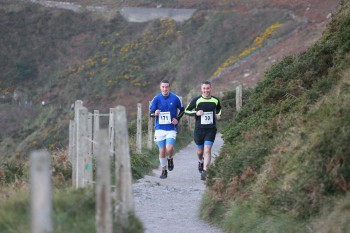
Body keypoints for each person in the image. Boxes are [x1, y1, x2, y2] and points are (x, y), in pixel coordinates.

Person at [185, 81, 222, 181]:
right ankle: (200, 161)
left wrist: (218, 115)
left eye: (208, 88)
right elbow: (187, 110)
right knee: (200, 151)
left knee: (207, 150)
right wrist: (196, 113)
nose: (206, 90)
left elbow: (219, 109)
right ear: (201, 89)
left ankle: (205, 171)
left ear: (211, 89)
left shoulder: (215, 100)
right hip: (199, 130)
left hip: (211, 129)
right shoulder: (197, 100)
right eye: (204, 88)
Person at [150, 79, 185, 179]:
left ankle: (170, 158)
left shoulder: (175, 98)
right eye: (163, 87)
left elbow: (182, 110)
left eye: (167, 87)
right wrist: (155, 113)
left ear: (169, 87)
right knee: (162, 151)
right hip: (159, 129)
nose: (165, 89)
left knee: (169, 148)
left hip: (171, 128)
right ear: (160, 87)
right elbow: (151, 113)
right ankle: (164, 170)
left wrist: (177, 119)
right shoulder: (156, 99)